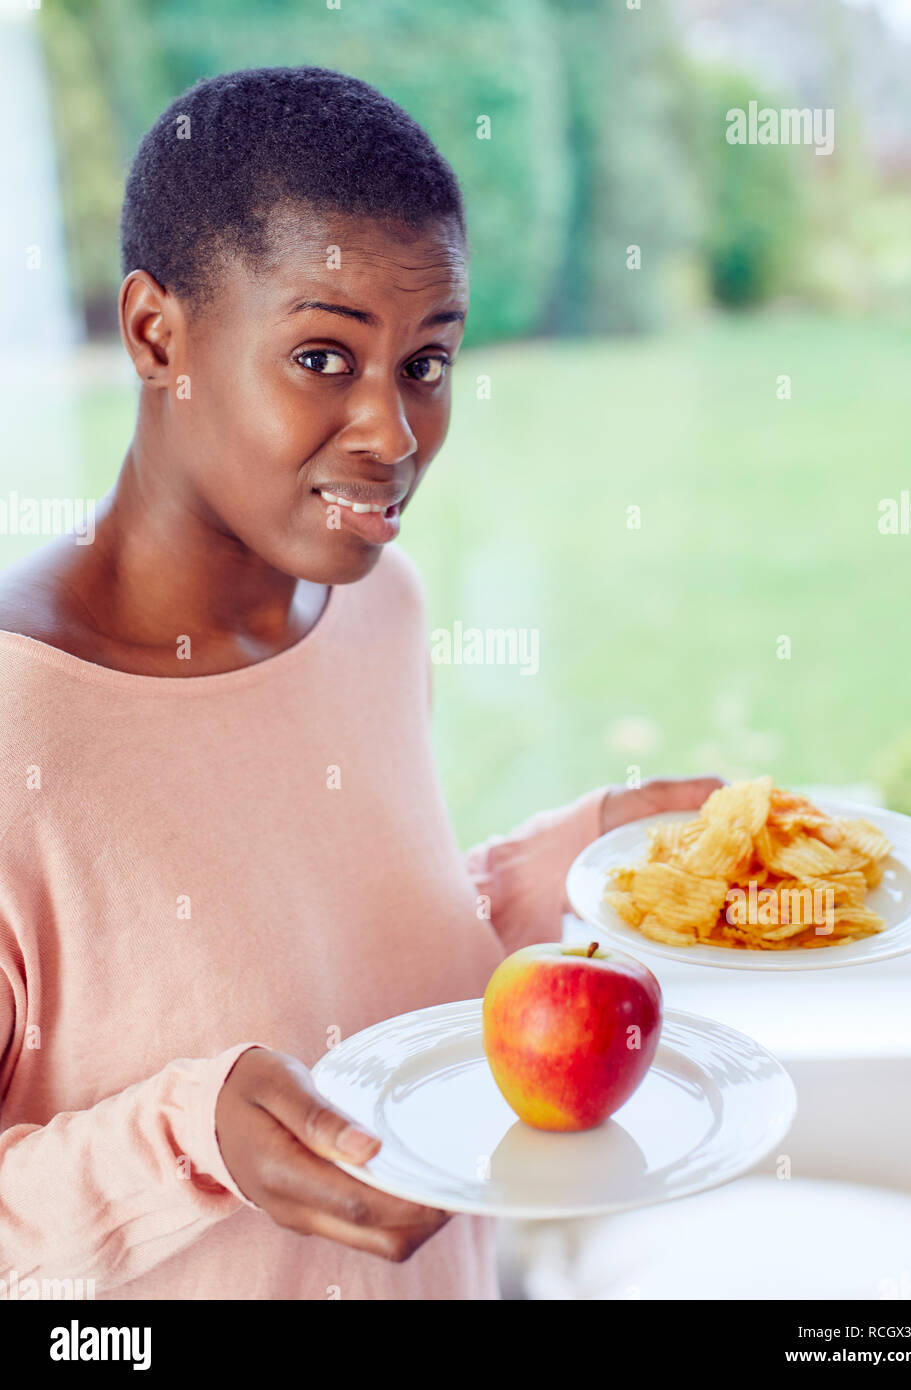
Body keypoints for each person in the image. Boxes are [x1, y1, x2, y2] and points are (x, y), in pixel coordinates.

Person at [0, 66, 719, 1300]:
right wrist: (183, 1135)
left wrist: (575, 862)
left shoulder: (376, 607)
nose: (393, 433)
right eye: (325, 356)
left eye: (427, 364)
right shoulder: (23, 723)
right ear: (156, 334)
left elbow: (352, 987)